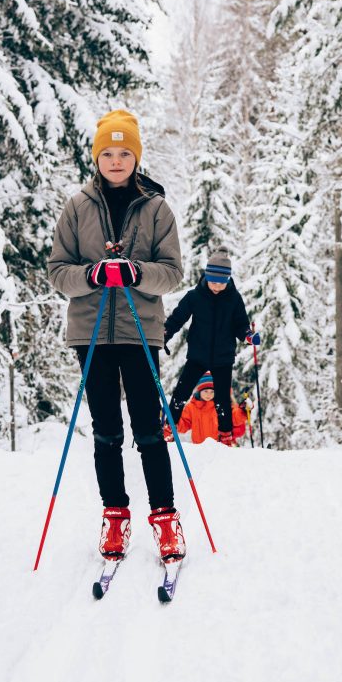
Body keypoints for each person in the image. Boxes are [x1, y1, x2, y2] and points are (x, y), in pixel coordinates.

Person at [47, 109, 186, 564]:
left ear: (136, 156)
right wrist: (90, 274)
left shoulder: (156, 208)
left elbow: (172, 274)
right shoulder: (77, 206)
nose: (116, 160)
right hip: (90, 334)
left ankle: (165, 519)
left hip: (140, 332)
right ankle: (114, 516)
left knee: (149, 429)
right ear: (97, 157)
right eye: (107, 152)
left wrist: (135, 271)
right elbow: (57, 272)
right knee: (106, 431)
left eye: (124, 152)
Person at [164, 249, 261, 446]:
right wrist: (164, 335)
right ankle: (169, 426)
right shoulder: (194, 297)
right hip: (198, 354)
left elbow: (241, 325)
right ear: (206, 277)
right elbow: (177, 318)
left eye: (221, 282)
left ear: (228, 280)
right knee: (182, 392)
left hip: (223, 357)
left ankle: (225, 434)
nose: (217, 286)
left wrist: (248, 336)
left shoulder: (234, 299)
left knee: (223, 399)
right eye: (213, 281)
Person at [169, 373, 248, 445]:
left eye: (212, 392)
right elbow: (184, 423)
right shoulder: (192, 407)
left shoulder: (220, 405)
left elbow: (233, 416)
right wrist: (174, 421)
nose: (209, 395)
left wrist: (242, 411)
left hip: (220, 446)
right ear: (199, 391)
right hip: (199, 447)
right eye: (206, 391)